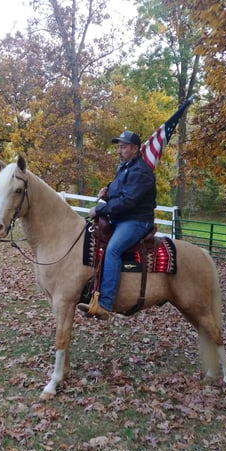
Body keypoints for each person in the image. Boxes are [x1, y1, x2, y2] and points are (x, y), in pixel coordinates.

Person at [77, 130, 156, 319]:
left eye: (124, 147)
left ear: (136, 149)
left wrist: (100, 209)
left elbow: (128, 201)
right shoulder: (125, 166)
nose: (120, 151)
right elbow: (119, 190)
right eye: (119, 147)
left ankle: (105, 304)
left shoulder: (141, 172)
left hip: (136, 220)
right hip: (122, 217)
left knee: (112, 250)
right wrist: (107, 192)